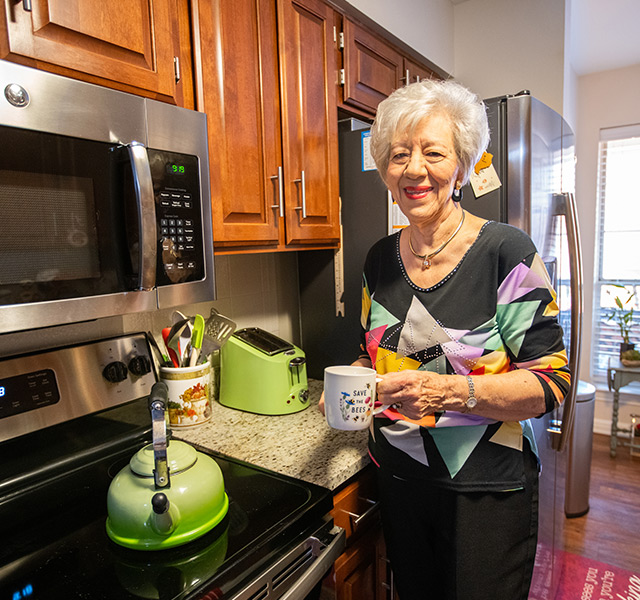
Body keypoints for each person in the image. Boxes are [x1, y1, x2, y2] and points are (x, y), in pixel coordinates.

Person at [322, 79, 571, 600]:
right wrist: (347, 387)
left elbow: (552, 383)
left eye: (432, 152)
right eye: (398, 154)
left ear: (459, 166)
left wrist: (445, 393)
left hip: (488, 490)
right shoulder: (377, 259)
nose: (414, 169)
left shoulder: (506, 252)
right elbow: (365, 352)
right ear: (385, 170)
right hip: (399, 478)